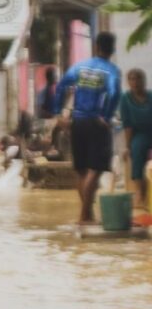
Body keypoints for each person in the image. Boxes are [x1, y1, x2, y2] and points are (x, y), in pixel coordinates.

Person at [55, 31, 122, 224]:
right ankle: (84, 215)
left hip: (77, 122)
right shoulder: (111, 70)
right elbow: (114, 93)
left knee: (83, 171)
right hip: (96, 123)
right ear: (112, 49)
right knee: (96, 169)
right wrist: (106, 115)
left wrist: (59, 113)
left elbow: (61, 87)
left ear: (96, 47)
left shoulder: (80, 67)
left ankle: (88, 215)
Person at [121, 67, 152, 208]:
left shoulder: (150, 96)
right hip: (139, 134)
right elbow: (127, 125)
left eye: (138, 78)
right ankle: (139, 193)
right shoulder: (125, 99)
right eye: (132, 79)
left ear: (143, 81)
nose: (135, 82)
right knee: (137, 150)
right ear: (128, 82)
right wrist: (127, 147)